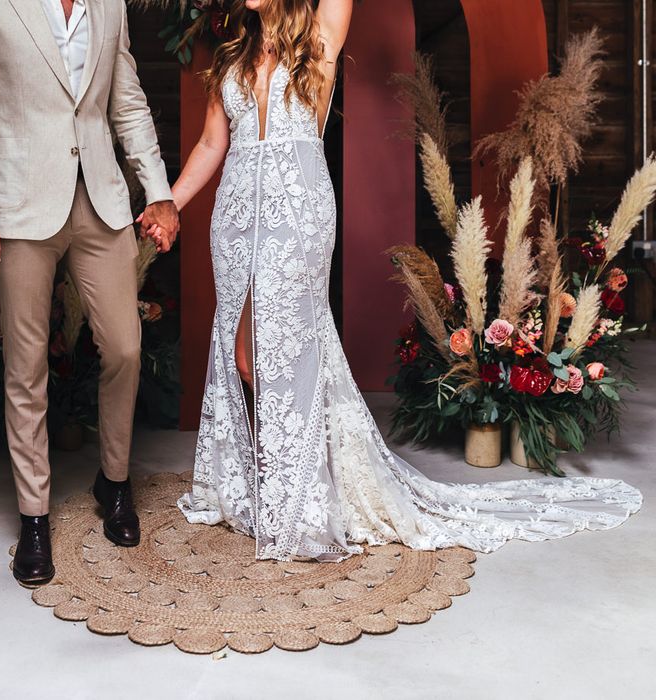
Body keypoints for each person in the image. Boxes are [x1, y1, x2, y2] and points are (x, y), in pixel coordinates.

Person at [146, 0, 641, 563]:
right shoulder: (232, 54)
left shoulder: (319, 42)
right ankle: (277, 485)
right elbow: (213, 144)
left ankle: (299, 503)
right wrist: (171, 204)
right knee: (242, 355)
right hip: (235, 220)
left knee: (283, 352)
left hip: (297, 213)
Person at [0, 0, 179, 585]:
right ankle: (34, 517)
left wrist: (158, 190)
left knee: (123, 347)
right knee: (26, 367)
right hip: (19, 206)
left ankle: (114, 481)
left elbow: (128, 102)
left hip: (101, 202)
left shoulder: (109, 5)